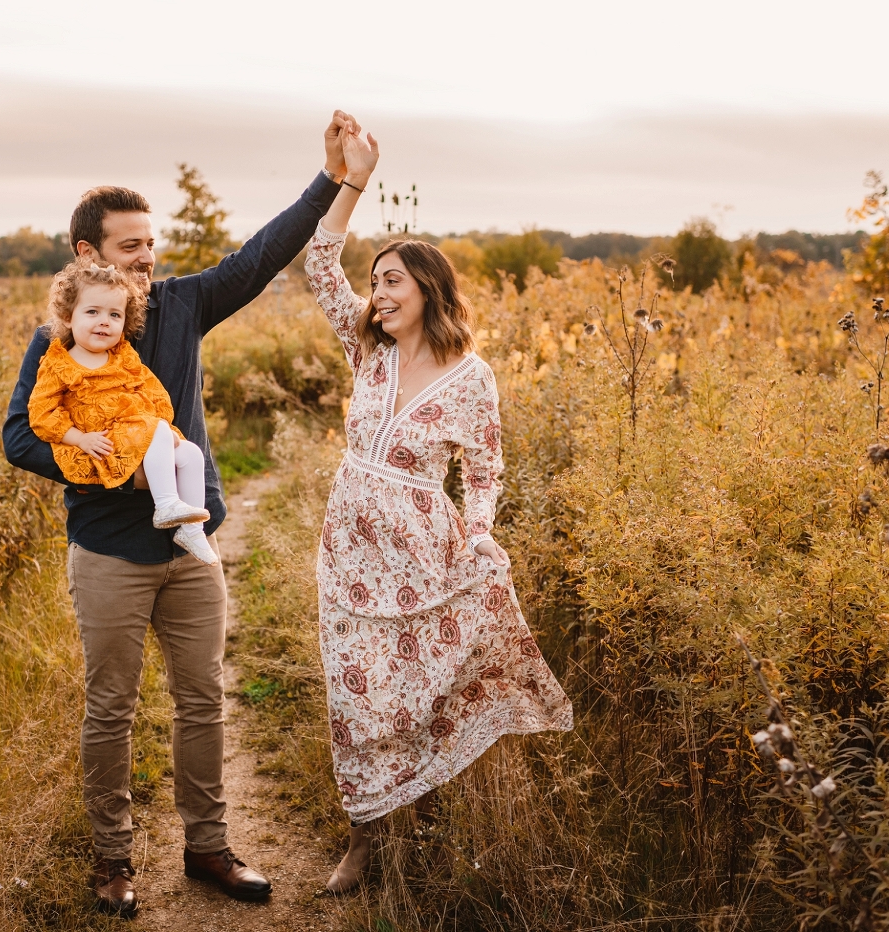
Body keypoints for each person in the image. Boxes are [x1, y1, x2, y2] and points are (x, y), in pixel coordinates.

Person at [2, 112, 353, 917]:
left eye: (150, 243)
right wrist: (103, 461)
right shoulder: (58, 341)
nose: (147, 257)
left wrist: (332, 177)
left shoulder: (185, 304)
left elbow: (265, 252)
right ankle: (111, 860)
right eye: (130, 246)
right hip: (108, 556)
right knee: (112, 709)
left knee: (202, 700)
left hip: (192, 549)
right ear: (87, 255)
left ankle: (208, 848)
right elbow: (18, 436)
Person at [303, 123, 574, 894]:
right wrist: (349, 179)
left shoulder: (470, 377)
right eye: (376, 280)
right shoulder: (368, 352)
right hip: (349, 552)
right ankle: (364, 837)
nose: (377, 292)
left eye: (393, 281)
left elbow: (484, 468)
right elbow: (320, 262)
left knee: (411, 696)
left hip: (423, 552)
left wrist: (481, 534)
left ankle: (418, 818)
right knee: (355, 692)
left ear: (428, 289)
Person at [28, 258, 216, 565]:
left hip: (139, 430)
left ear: (124, 323)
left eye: (114, 315)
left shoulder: (122, 355)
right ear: (67, 316)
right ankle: (166, 503)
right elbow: (41, 412)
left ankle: (192, 530)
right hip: (104, 440)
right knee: (153, 431)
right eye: (92, 312)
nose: (104, 321)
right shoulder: (59, 362)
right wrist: (79, 439)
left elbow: (149, 388)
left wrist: (163, 426)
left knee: (191, 454)